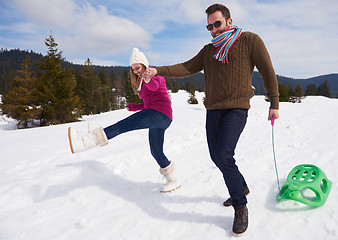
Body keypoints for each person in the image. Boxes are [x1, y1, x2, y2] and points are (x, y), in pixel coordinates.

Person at [145, 3, 279, 235]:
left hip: (236, 109)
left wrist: (274, 103)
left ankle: (240, 206)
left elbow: (267, 71)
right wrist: (158, 70)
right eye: (209, 26)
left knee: (224, 155)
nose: (214, 30)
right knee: (216, 157)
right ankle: (242, 187)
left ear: (228, 21)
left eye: (217, 24)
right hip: (213, 110)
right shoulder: (209, 51)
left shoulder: (249, 40)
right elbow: (186, 67)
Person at [68, 48, 181, 193]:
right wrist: (134, 107)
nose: (135, 71)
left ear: (145, 65)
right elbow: (149, 103)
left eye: (138, 67)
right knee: (156, 151)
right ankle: (173, 179)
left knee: (122, 126)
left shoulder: (155, 76)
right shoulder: (141, 81)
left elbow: (154, 87)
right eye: (133, 69)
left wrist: (147, 80)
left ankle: (85, 142)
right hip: (159, 117)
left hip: (159, 114)